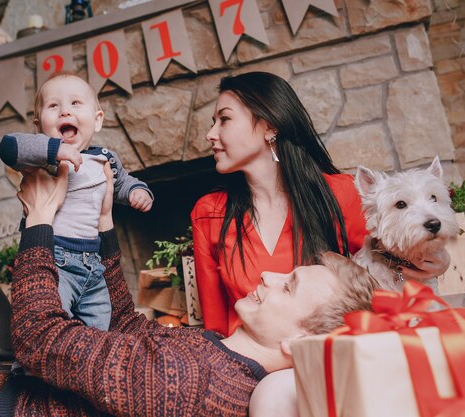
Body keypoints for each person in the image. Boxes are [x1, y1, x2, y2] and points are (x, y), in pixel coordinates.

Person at [0, 163, 379, 417]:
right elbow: (127, 330)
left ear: (297, 347)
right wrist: (106, 226)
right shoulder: (218, 354)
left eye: (286, 287)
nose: (267, 275)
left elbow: (41, 339)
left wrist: (39, 220)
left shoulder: (187, 381)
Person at [191, 71, 450, 337]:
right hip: (251, 367)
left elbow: (389, 259)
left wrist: (436, 260)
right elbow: (216, 322)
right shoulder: (208, 213)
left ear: (269, 125)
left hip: (330, 355)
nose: (211, 134)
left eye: (224, 119)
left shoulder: (341, 193)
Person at [0, 71, 153, 330]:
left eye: (75, 103)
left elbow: (123, 182)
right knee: (52, 321)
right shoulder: (45, 157)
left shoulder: (105, 159)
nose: (65, 112)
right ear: (38, 127)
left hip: (93, 263)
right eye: (53, 105)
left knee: (101, 326)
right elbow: (8, 146)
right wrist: (54, 149)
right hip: (54, 259)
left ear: (97, 119)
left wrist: (138, 192)